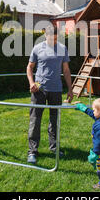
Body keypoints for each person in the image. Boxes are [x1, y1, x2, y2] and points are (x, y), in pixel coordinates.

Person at [26, 25, 73, 164]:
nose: (52, 39)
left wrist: (70, 89)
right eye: (50, 36)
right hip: (39, 89)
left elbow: (66, 70)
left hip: (56, 89)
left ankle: (54, 147)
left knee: (54, 120)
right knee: (35, 120)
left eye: (55, 36)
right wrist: (31, 83)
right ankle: (32, 151)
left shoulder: (62, 49)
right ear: (45, 35)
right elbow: (29, 67)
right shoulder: (37, 48)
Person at [74, 97, 100, 189]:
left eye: (94, 110)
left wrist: (95, 153)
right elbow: (93, 115)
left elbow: (99, 142)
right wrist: (84, 108)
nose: (93, 112)